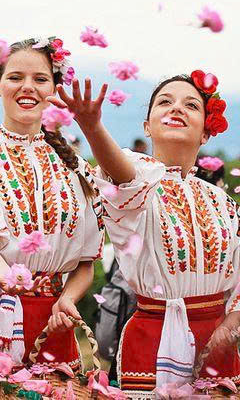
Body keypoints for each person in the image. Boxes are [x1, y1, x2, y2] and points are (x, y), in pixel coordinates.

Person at [52, 71, 239, 396]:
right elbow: (123, 176)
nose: (177, 108)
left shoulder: (221, 202)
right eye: (165, 102)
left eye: (191, 105)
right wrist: (93, 128)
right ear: (147, 126)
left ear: (206, 132)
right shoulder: (141, 183)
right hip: (152, 341)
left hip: (218, 344)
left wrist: (231, 326)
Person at [0, 37, 104, 398]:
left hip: (54, 324)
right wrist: (6, 278)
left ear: (55, 89)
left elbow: (86, 262)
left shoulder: (76, 166)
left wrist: (68, 300)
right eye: (15, 77)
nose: (27, 87)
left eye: (40, 79)